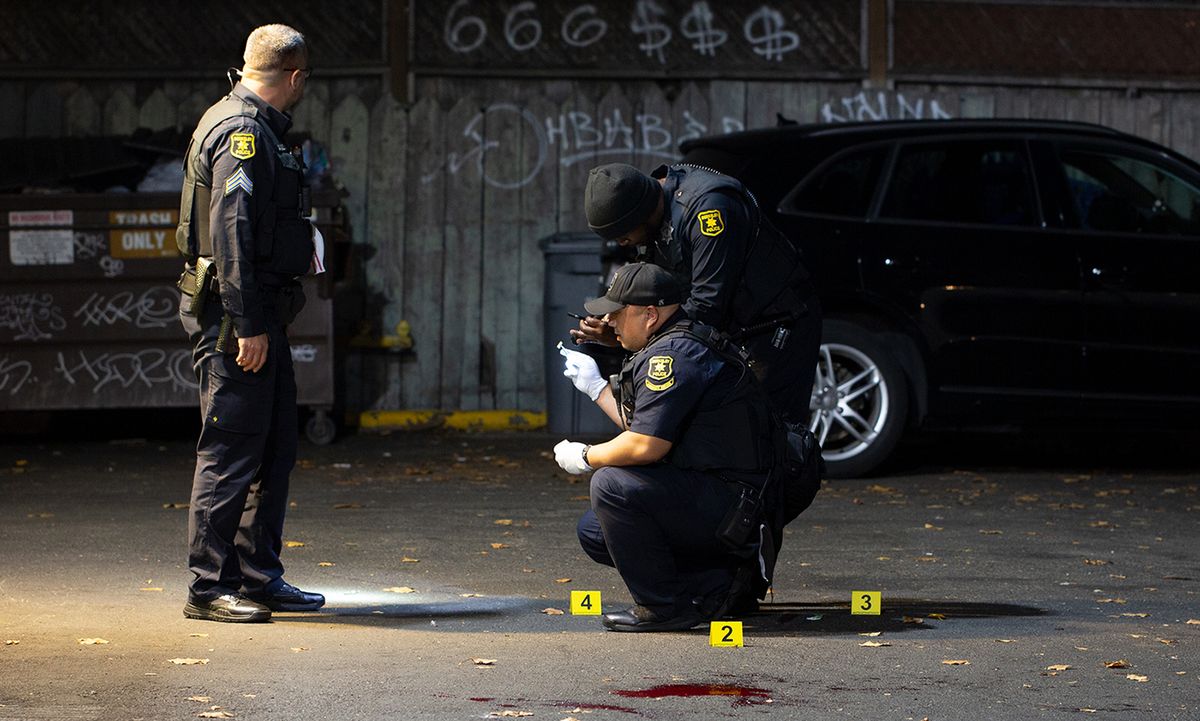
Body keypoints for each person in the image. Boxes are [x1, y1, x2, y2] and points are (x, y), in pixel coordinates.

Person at [174, 24, 322, 623]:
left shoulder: (249, 125)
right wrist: (247, 325)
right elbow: (230, 235)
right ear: (294, 77)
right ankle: (209, 588)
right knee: (232, 451)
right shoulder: (241, 133)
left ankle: (258, 577)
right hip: (239, 321)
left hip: (259, 316)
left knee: (274, 450)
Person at [554, 263, 776, 632]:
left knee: (610, 486)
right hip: (722, 499)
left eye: (617, 312)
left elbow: (645, 445)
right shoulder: (675, 342)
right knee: (597, 531)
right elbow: (647, 427)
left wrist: (586, 456)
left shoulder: (673, 356)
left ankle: (665, 607)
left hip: (734, 508)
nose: (608, 322)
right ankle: (714, 586)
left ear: (650, 315)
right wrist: (596, 389)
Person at [574, 162, 822, 425]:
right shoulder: (656, 216)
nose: (623, 243)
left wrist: (638, 335)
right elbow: (661, 297)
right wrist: (619, 330)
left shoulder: (708, 209)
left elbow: (706, 304)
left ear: (642, 211)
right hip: (729, 330)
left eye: (623, 235)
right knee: (724, 438)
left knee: (772, 435)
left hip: (775, 325)